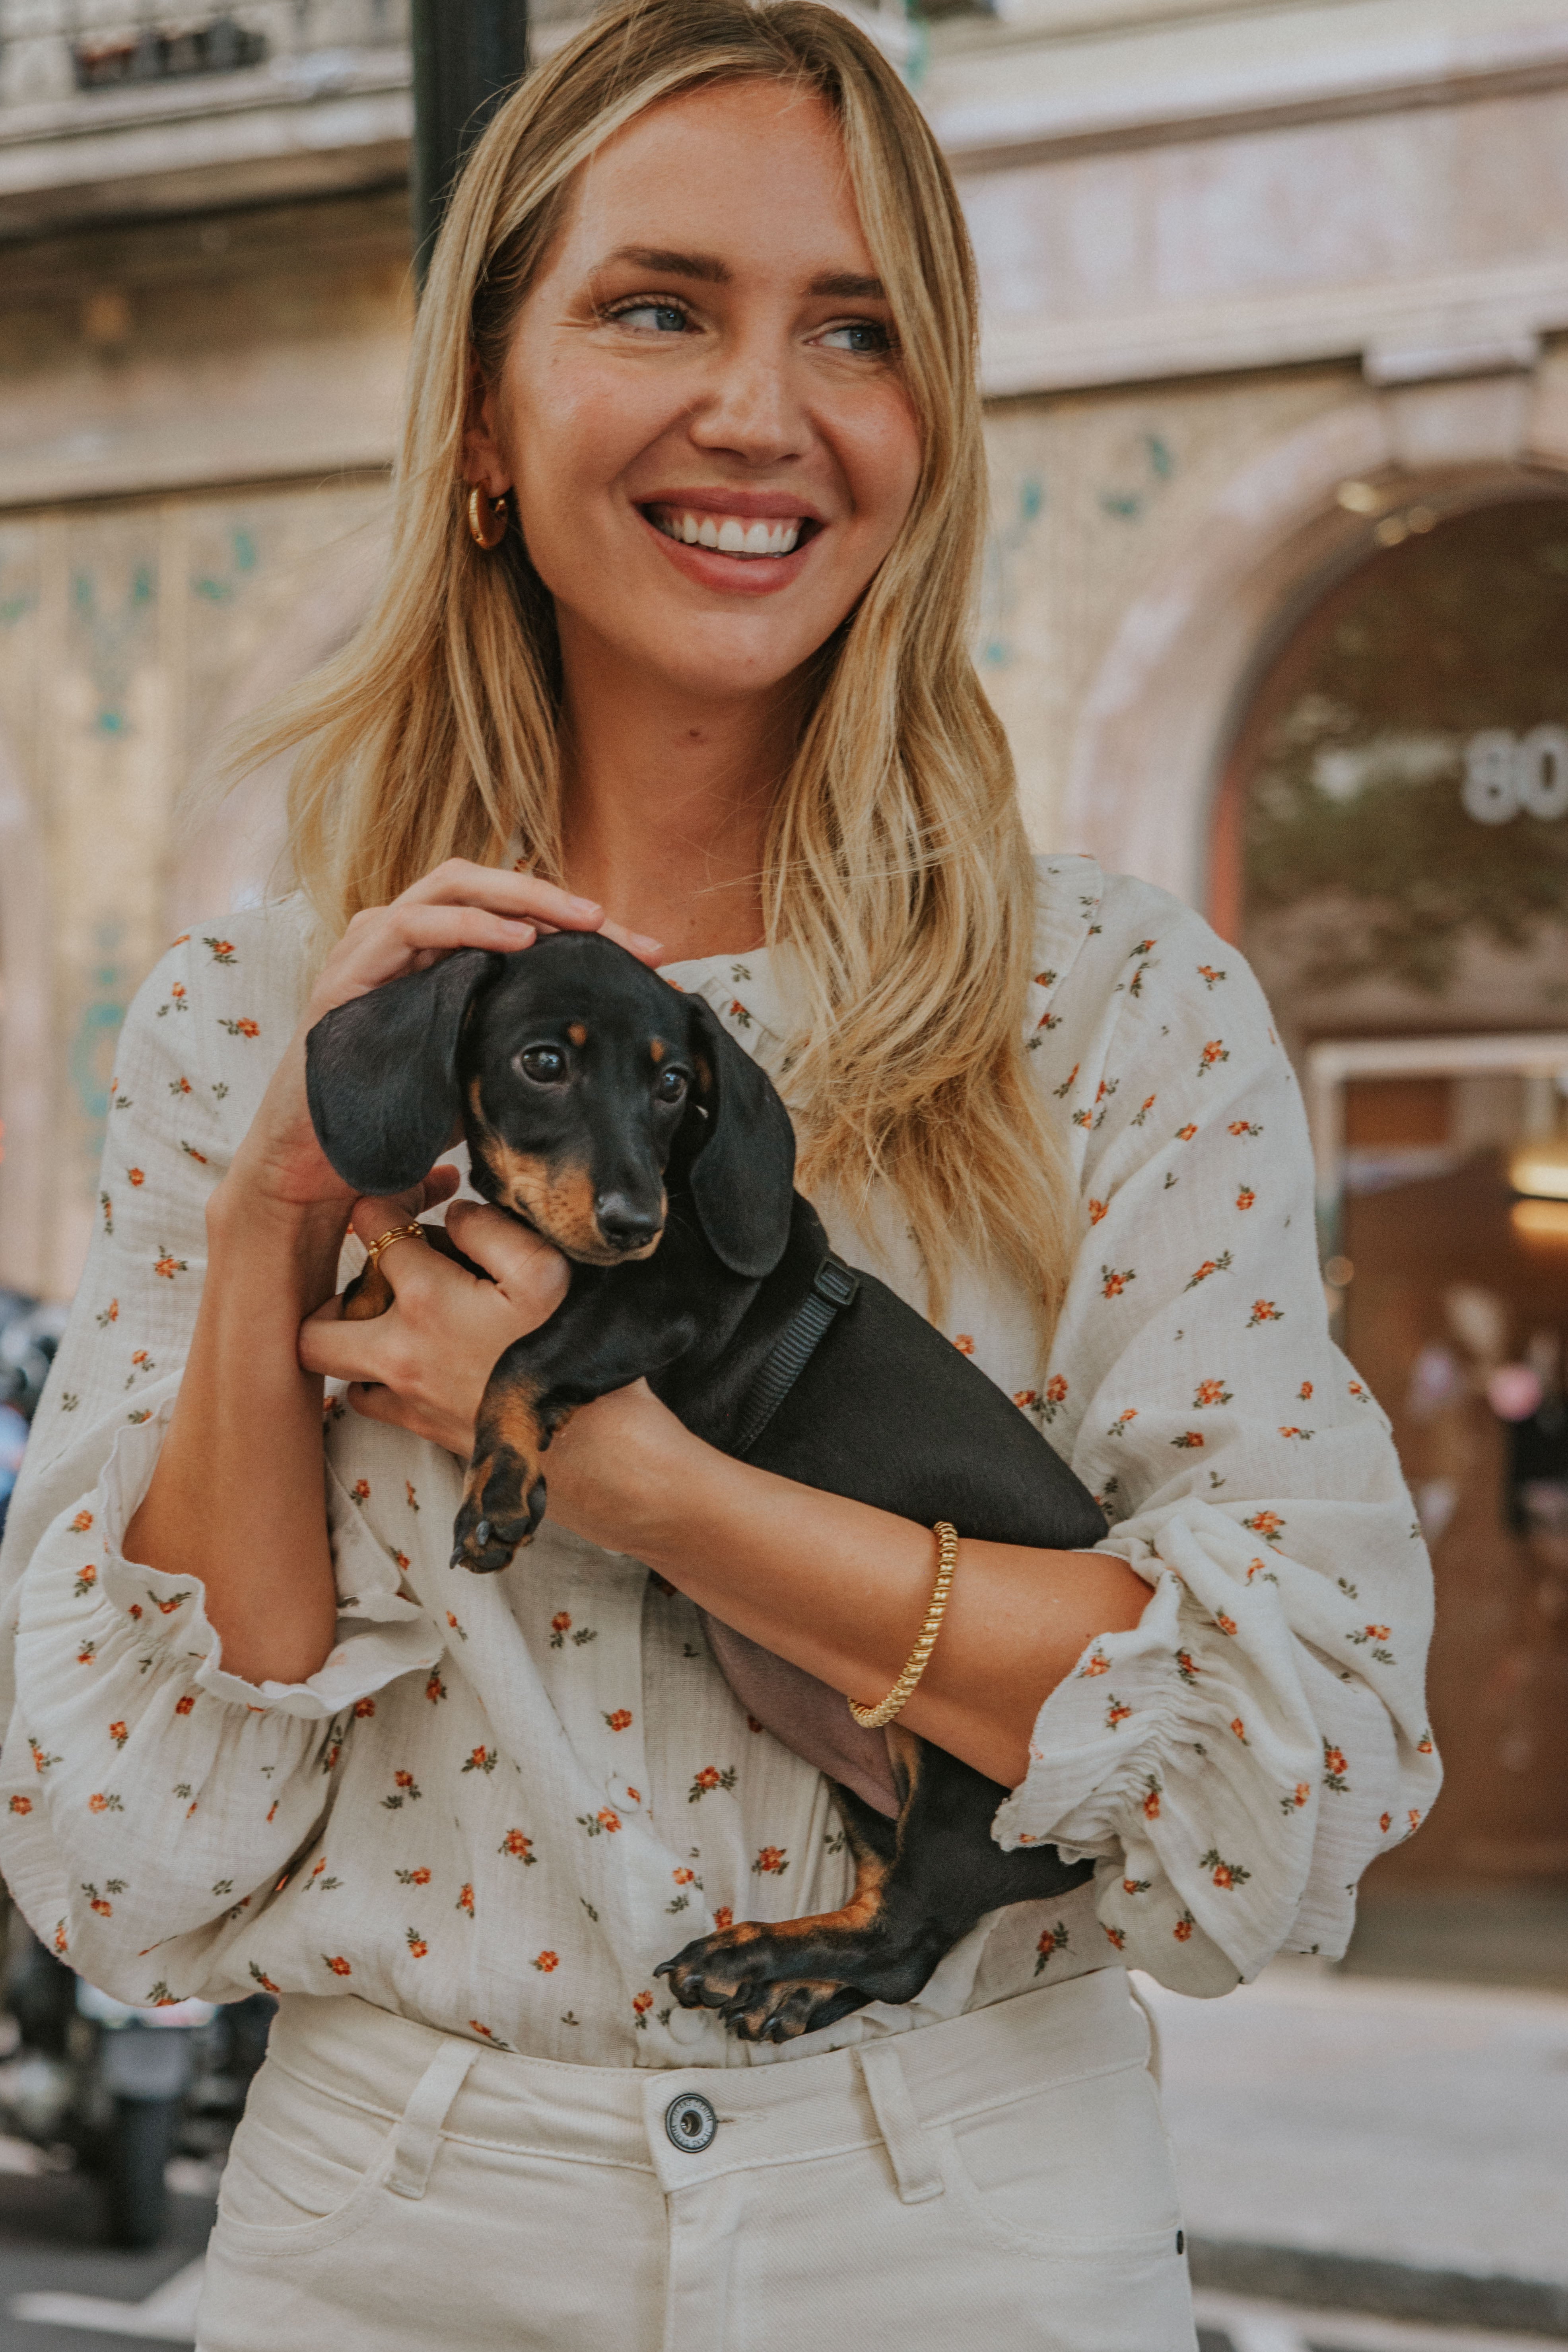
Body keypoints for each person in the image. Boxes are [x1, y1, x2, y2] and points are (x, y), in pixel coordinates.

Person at [0, 4, 1440, 2344]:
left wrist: (625, 1471)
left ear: (926, 435)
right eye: (658, 305)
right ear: (481, 415)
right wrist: (277, 1207)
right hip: (390, 2231)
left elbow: (1276, 1775)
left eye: (855, 330)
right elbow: (140, 1847)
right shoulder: (254, 1027)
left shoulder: (1103, 1013)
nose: (759, 410)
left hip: (961, 2217)